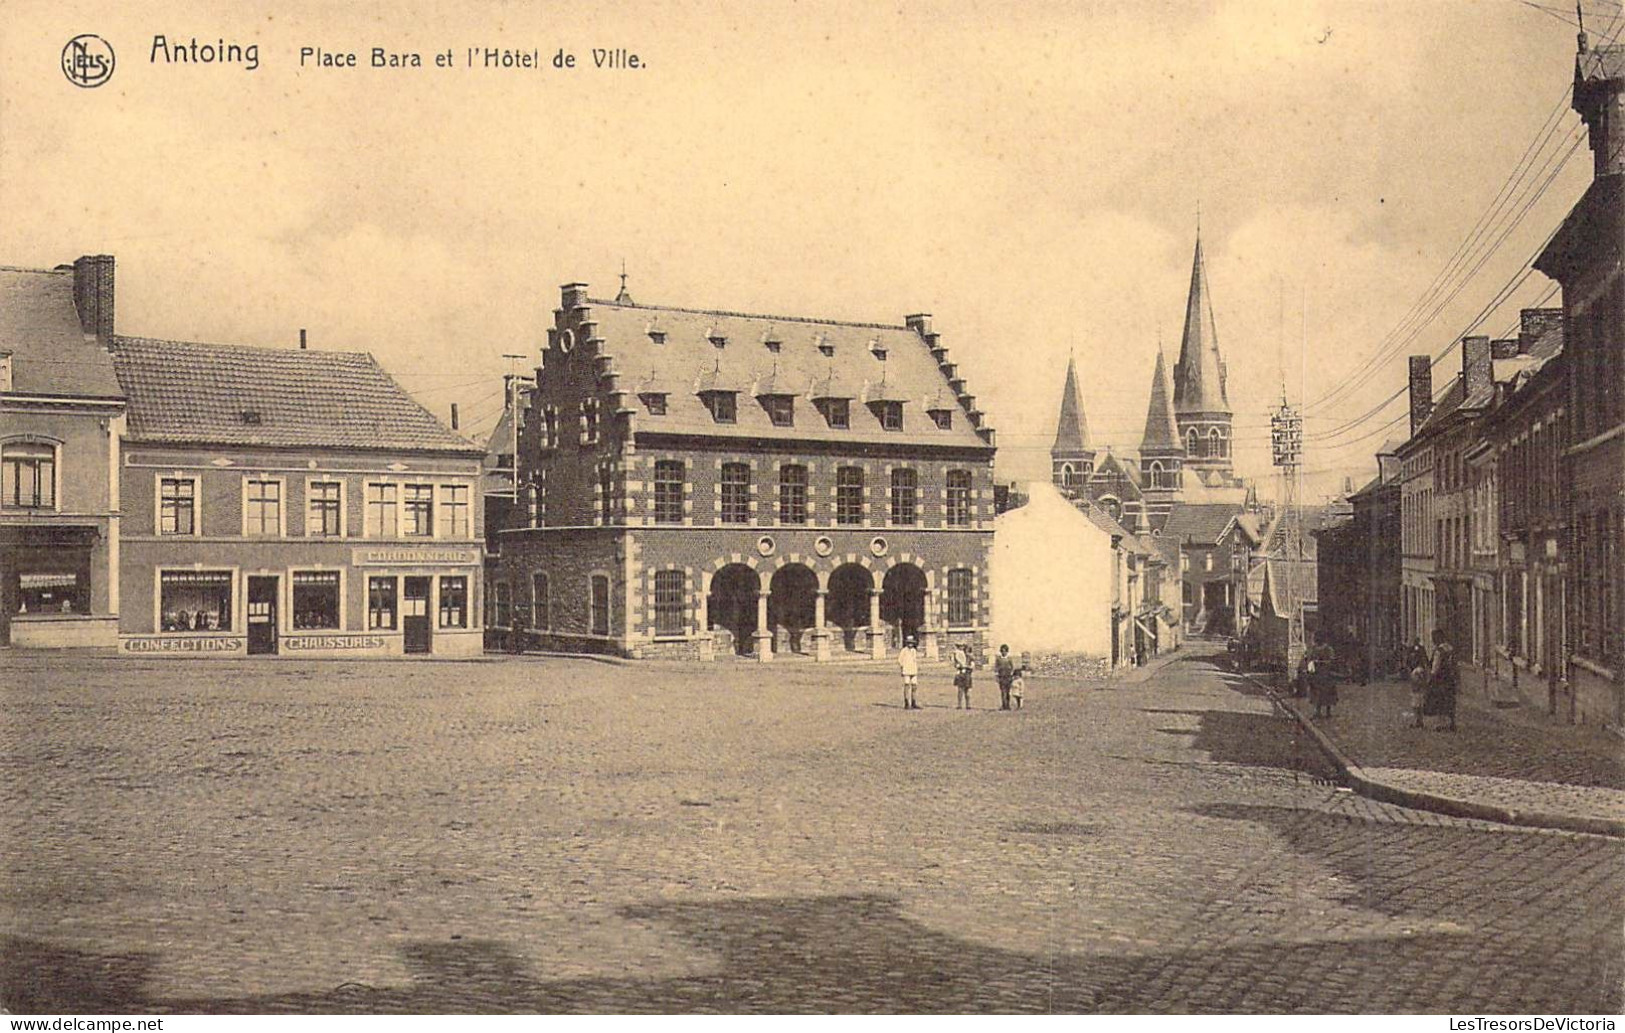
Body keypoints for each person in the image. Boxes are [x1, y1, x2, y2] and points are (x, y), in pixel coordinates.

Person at [1425, 628, 1458, 732]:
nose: (1433, 640)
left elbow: (1435, 667)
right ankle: (1452, 722)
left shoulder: (1439, 651)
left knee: (1439, 700)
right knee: (1450, 699)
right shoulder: (1450, 648)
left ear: (1438, 638)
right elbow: (1454, 664)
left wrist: (1431, 678)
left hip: (1440, 679)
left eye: (1434, 638)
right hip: (1450, 678)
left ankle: (1440, 724)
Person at [899, 637, 920, 710]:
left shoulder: (914, 650)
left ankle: (914, 702)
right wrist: (902, 669)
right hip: (906, 670)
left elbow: (915, 660)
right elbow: (900, 661)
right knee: (907, 685)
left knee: (914, 686)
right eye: (909, 643)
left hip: (913, 669)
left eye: (912, 643)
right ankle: (907, 703)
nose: (910, 644)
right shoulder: (904, 651)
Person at [995, 644, 1017, 711]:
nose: (1003, 652)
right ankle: (1004, 705)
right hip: (1001, 677)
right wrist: (997, 677)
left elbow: (1013, 668)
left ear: (1007, 651)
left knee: (1007, 692)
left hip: (1008, 677)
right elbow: (996, 668)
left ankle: (1007, 705)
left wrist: (1012, 675)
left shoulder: (1009, 659)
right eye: (1002, 651)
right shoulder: (998, 659)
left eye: (1004, 651)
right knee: (1003, 692)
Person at [952, 643, 974, 709]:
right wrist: (958, 665)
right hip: (960, 673)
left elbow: (972, 666)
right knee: (960, 690)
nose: (966, 652)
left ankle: (968, 704)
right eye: (965, 650)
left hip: (967, 674)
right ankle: (959, 704)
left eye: (967, 651)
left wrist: (966, 666)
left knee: (967, 691)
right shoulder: (958, 656)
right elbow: (956, 665)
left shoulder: (970, 658)